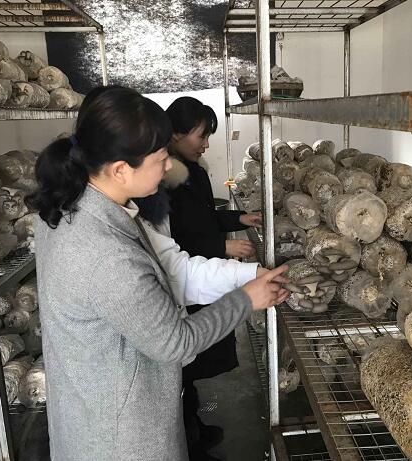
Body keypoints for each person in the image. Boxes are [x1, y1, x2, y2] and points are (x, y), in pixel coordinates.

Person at [27, 86, 289, 461]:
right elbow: (175, 342)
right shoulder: (105, 252)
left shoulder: (75, 207)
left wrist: (243, 276)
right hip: (122, 436)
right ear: (120, 169)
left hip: (91, 406)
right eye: (161, 157)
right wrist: (246, 299)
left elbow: (169, 271)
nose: (168, 167)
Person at [160, 96, 262, 461]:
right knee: (181, 368)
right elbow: (171, 243)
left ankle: (194, 431)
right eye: (201, 136)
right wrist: (222, 247)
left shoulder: (194, 171)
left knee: (189, 370)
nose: (206, 144)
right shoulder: (162, 182)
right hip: (187, 283)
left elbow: (203, 219)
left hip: (201, 273)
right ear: (175, 133)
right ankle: (188, 444)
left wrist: (239, 219)